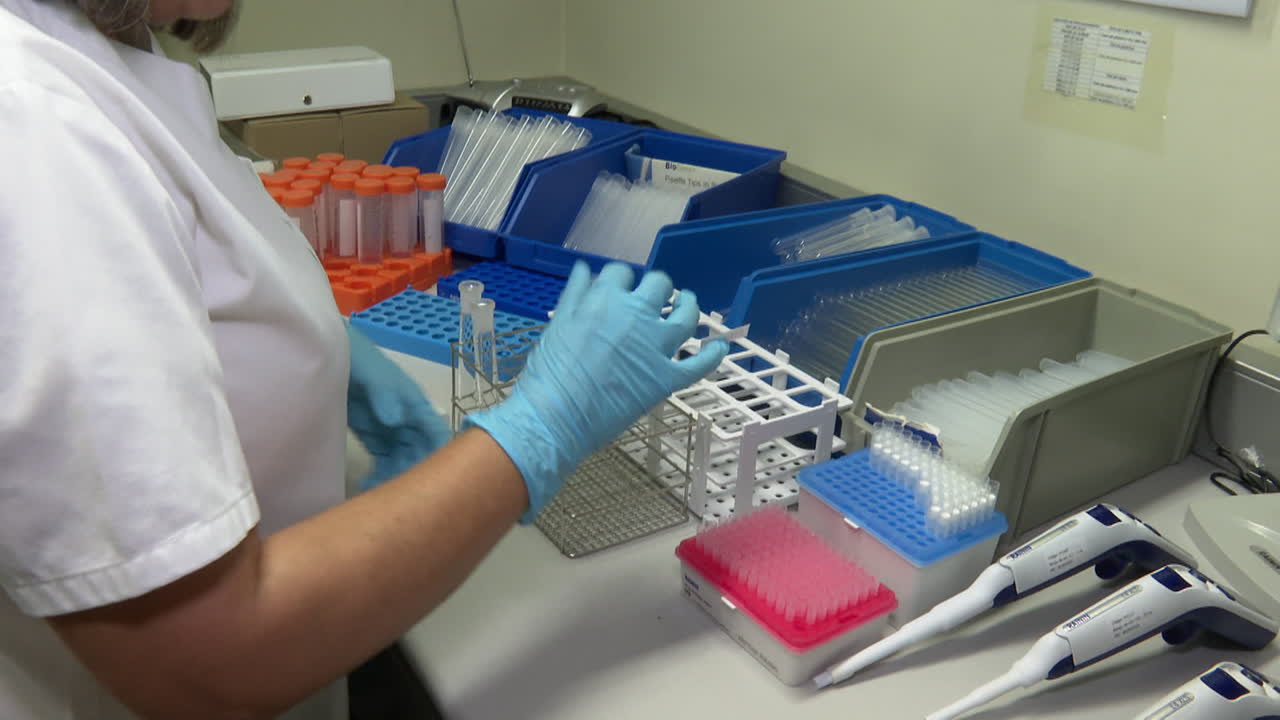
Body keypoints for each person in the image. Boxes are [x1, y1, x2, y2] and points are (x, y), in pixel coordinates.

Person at [0, 1, 729, 718]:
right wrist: (540, 430)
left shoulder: (118, 50)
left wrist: (303, 341)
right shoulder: (36, 127)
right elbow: (207, 664)